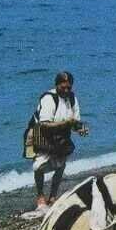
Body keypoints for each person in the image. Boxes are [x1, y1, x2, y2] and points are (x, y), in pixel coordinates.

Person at [32, 72, 89, 210]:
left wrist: (80, 129)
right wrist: (66, 122)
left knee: (60, 165)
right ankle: (40, 195)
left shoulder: (72, 99)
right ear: (56, 85)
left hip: (62, 135)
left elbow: (75, 122)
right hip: (43, 134)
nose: (66, 90)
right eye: (63, 87)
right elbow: (44, 124)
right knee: (38, 167)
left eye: (69, 88)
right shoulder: (49, 98)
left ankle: (52, 196)